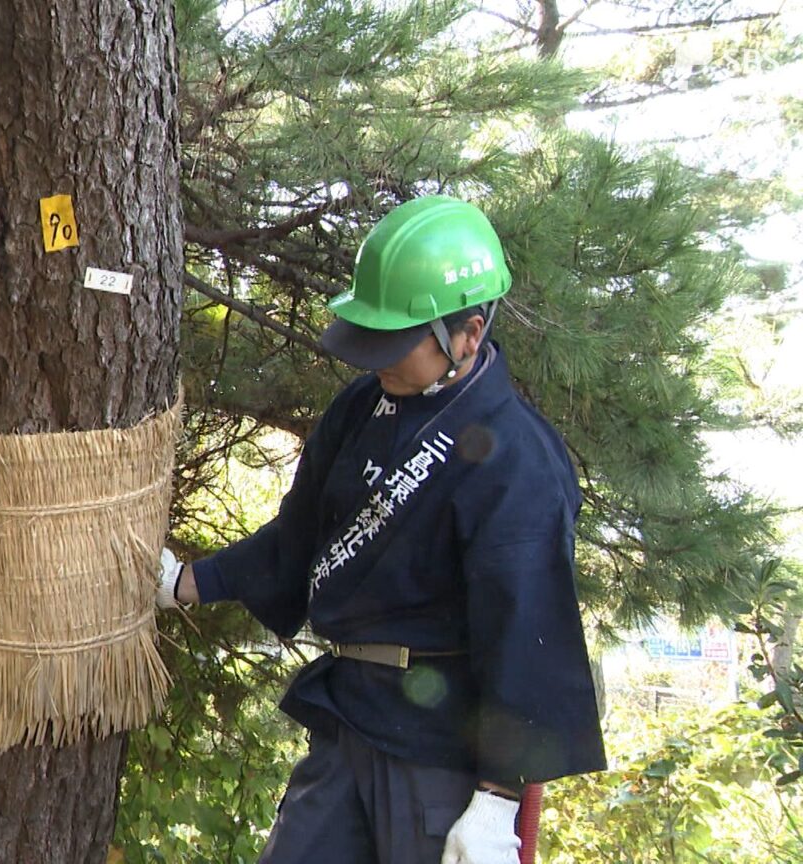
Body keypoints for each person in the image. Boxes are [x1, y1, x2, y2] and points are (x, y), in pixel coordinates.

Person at [158, 195, 605, 864]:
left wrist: (497, 800)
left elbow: (525, 630)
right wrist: (186, 582)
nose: (379, 363)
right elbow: (299, 535)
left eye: (399, 346)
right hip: (348, 720)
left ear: (469, 334)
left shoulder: (518, 460)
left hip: (441, 756)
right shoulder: (361, 407)